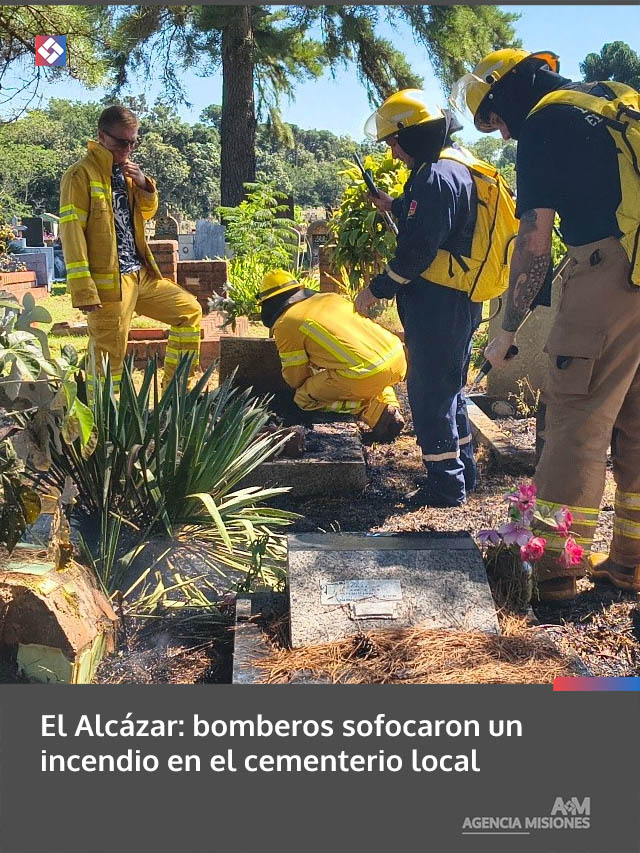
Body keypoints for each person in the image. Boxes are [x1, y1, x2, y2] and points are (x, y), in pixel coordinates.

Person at [451, 48, 640, 601]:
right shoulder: (616, 100)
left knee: (575, 420)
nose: (504, 134)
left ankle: (551, 573)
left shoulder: (545, 123)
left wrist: (506, 329)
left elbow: (535, 245)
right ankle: (630, 562)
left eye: (495, 118)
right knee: (636, 421)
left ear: (508, 92)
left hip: (606, 276)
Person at [355, 90, 516, 507]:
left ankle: (445, 486)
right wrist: (393, 205)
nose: (393, 152)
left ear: (415, 134)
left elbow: (419, 251)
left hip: (438, 303)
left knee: (429, 393)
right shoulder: (453, 168)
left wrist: (376, 290)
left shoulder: (435, 176)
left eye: (394, 141)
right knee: (450, 388)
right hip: (457, 299)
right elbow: (440, 225)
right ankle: (464, 472)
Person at [59, 105, 201, 397]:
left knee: (189, 312)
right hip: (110, 285)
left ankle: (178, 398)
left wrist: (144, 185)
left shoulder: (126, 174)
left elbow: (147, 213)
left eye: (134, 141)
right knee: (109, 358)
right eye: (122, 142)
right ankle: (101, 426)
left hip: (140, 275)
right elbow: (72, 233)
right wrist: (83, 289)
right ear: (101, 136)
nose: (129, 148)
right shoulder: (80, 175)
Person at [259, 269, 407, 442]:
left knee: (303, 397)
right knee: (374, 379)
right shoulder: (329, 298)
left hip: (364, 373)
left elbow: (295, 378)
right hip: (396, 357)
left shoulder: (286, 323)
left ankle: (373, 410)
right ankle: (391, 407)